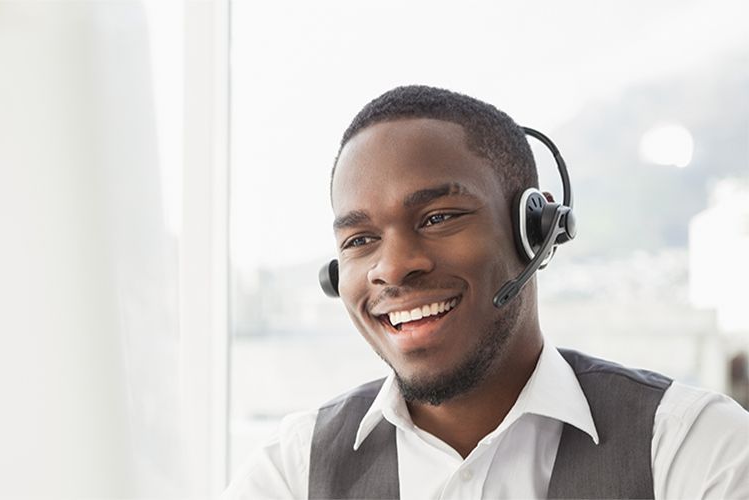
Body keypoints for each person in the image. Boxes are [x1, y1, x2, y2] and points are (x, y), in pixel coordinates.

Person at [222, 85, 749, 499]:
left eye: (438, 217)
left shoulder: (695, 449)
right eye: (360, 240)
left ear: (535, 232)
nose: (394, 267)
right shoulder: (292, 473)